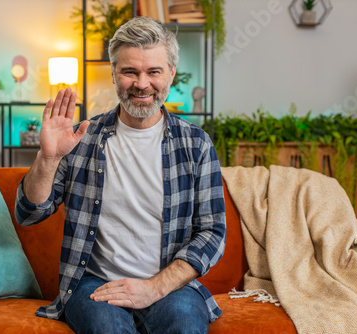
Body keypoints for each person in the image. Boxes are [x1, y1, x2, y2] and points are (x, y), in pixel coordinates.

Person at [15, 16, 226, 334]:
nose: (142, 84)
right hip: (95, 284)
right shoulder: (80, 138)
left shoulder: (196, 144)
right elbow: (29, 213)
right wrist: (48, 157)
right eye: (130, 71)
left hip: (170, 286)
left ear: (170, 73)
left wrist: (155, 287)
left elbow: (212, 233)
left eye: (153, 71)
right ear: (114, 74)